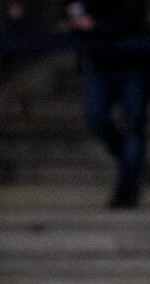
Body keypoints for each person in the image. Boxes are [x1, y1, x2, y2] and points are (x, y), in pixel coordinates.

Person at [64, 1, 150, 208]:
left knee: (133, 127)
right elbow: (70, 11)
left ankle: (127, 188)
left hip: (132, 61)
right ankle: (132, 166)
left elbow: (132, 18)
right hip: (100, 62)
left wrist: (96, 26)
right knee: (96, 118)